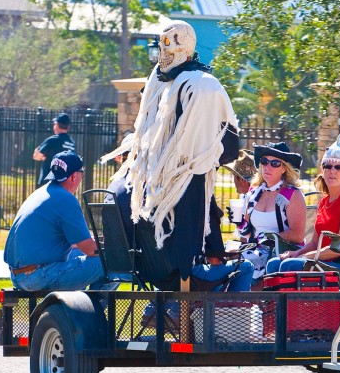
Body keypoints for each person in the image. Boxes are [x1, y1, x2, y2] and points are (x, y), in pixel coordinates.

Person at [100, 20, 241, 286]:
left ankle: (208, 267)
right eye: (163, 44)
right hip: (172, 201)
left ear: (187, 49)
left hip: (172, 192)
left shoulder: (195, 85)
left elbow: (227, 145)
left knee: (200, 198)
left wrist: (195, 161)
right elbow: (230, 147)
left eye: (173, 45)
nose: (165, 54)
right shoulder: (175, 83)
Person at [4, 151, 104, 291]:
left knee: (86, 256)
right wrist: (114, 251)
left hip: (19, 275)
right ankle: (94, 311)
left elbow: (67, 243)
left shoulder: (41, 192)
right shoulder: (66, 199)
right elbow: (89, 249)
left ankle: (82, 307)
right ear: (75, 176)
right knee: (115, 264)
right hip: (38, 275)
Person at [268, 129, 340, 274]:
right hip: (323, 261)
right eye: (327, 166)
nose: (332, 171)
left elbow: (339, 249)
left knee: (290, 265)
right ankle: (273, 298)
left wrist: (305, 256)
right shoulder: (324, 202)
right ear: (323, 171)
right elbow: (314, 243)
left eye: (338, 167)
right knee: (274, 263)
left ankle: (288, 298)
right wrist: (297, 253)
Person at [233, 142, 307, 280]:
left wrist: (267, 237)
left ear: (285, 168)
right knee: (225, 256)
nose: (268, 167)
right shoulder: (254, 193)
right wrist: (240, 223)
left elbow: (297, 235)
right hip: (255, 249)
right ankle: (231, 301)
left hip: (282, 251)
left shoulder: (293, 195)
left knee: (242, 264)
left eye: (275, 163)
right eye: (264, 161)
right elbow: (247, 235)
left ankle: (247, 300)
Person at [33, 113, 75, 186]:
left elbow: (36, 156)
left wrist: (44, 156)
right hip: (65, 182)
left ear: (56, 125)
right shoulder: (71, 143)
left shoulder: (53, 140)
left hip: (49, 181)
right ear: (68, 127)